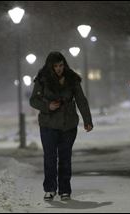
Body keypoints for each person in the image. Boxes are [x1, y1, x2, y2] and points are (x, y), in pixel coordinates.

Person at [29, 51, 93, 201]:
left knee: (65, 157)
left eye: (61, 65)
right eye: (56, 66)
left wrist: (87, 120)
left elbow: (81, 100)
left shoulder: (72, 79)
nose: (59, 69)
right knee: (50, 157)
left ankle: (65, 189)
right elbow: (33, 100)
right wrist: (47, 106)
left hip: (68, 124)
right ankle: (50, 188)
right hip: (48, 124)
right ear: (50, 66)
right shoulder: (42, 79)